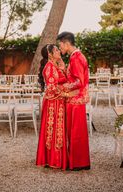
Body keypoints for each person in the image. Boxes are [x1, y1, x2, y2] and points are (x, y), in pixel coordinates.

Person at [36, 44, 76, 170]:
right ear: (50, 54)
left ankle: (57, 159)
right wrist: (67, 93)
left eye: (58, 50)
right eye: (56, 50)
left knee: (58, 130)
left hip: (58, 102)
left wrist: (63, 68)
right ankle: (53, 159)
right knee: (53, 131)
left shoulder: (55, 65)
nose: (59, 51)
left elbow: (64, 81)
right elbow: (52, 88)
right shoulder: (49, 67)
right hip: (53, 104)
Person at [57, 31, 91, 170]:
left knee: (76, 132)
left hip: (75, 100)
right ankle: (78, 162)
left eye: (60, 46)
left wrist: (63, 87)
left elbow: (78, 81)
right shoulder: (76, 56)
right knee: (76, 132)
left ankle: (78, 163)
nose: (60, 49)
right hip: (76, 99)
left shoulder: (76, 58)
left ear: (66, 43)